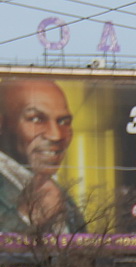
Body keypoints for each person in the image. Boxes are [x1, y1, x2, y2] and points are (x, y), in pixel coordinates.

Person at [0, 78, 85, 233]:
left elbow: (86, 255)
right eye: (36, 119)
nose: (56, 135)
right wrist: (26, 217)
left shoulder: (58, 194)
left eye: (64, 121)